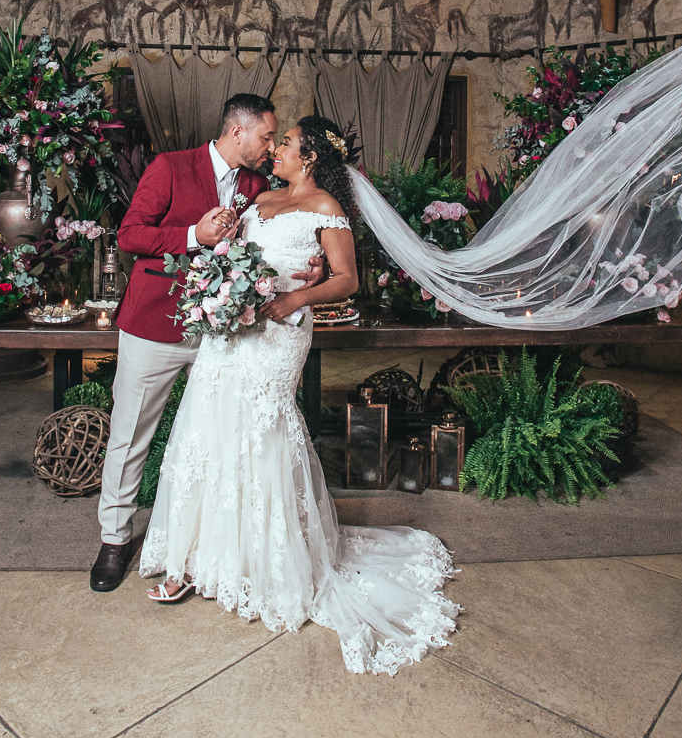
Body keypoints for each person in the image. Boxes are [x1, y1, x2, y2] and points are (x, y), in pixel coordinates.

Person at [139, 117, 459, 676]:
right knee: (208, 425)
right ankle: (193, 558)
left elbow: (346, 279)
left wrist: (294, 299)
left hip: (279, 332)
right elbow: (232, 256)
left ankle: (266, 561)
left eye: (284, 143)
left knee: (262, 429)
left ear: (309, 156)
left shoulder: (326, 208)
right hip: (232, 328)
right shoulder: (260, 197)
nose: (275, 149)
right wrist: (216, 285)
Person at [90, 94, 324, 593]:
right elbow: (130, 235)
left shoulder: (259, 186)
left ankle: (208, 546)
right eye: (266, 136)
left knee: (220, 439)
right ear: (237, 132)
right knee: (131, 435)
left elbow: (285, 239)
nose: (269, 146)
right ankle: (114, 540)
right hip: (154, 325)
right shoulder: (171, 168)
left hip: (225, 337)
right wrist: (194, 235)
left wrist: (313, 265)